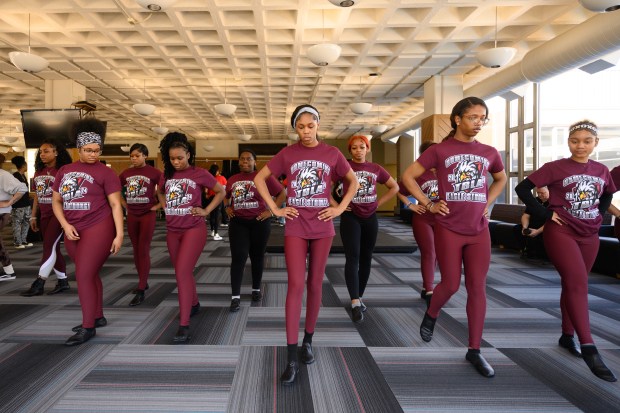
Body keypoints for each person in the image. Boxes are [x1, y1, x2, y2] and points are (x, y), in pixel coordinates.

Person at [254, 104, 358, 385]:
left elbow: (353, 181)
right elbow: (259, 178)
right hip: (296, 226)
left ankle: (308, 341)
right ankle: (290, 357)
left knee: (315, 285)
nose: (306, 131)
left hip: (323, 227)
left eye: (311, 126)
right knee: (296, 285)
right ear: (295, 128)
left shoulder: (332, 154)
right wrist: (276, 210)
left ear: (318, 125)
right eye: (301, 127)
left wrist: (340, 209)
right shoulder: (288, 153)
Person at [402, 97, 507, 378]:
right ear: (457, 119)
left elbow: (501, 178)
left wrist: (488, 203)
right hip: (448, 227)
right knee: (449, 284)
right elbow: (409, 176)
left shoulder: (489, 151)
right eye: (472, 117)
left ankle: (475, 350)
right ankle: (433, 311)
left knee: (477, 287)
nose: (478, 122)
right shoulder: (440, 150)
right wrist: (428, 202)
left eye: (482, 118)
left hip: (478, 230)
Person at [515, 120, 617, 382]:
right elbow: (522, 188)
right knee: (577, 283)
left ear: (596, 143)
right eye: (575, 140)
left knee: (573, 284)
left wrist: (599, 214)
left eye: (586, 141)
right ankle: (589, 346)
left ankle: (567, 335)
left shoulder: (601, 169)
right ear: (568, 142)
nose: (580, 145)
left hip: (590, 233)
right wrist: (545, 214)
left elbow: (607, 193)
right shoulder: (555, 167)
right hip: (561, 231)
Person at [51, 118, 124, 346]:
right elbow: (56, 201)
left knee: (83, 275)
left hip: (98, 227)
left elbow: (115, 205)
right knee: (89, 274)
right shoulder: (65, 170)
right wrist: (65, 224)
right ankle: (97, 315)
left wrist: (120, 234)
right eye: (88, 150)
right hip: (73, 229)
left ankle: (87, 327)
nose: (93, 154)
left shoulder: (106, 173)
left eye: (97, 150)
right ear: (78, 150)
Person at [158, 133, 225, 344]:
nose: (176, 162)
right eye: (172, 158)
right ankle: (194, 304)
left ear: (188, 154)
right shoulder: (167, 175)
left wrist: (206, 211)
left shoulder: (200, 173)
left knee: (182, 272)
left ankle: (184, 325)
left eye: (180, 157)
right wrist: (165, 206)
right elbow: (159, 192)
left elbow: (221, 191)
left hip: (193, 229)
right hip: (172, 230)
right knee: (182, 272)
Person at [340, 135, 399, 323]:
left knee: (366, 257)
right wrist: (338, 204)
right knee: (353, 256)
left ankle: (359, 296)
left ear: (367, 149)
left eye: (362, 147)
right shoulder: (344, 167)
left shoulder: (376, 169)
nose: (358, 151)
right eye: (355, 148)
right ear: (350, 151)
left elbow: (394, 187)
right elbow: (325, 186)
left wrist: (378, 203)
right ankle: (355, 301)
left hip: (370, 218)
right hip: (351, 217)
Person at [225, 149, 285, 312]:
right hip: (238, 223)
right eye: (242, 159)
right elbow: (226, 195)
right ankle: (235, 297)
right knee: (239, 257)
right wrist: (226, 206)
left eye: (249, 159)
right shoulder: (232, 179)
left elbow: (282, 193)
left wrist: (271, 211)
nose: (245, 161)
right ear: (238, 162)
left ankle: (256, 289)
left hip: (260, 222)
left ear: (254, 162)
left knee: (257, 256)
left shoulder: (263, 177)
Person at [20, 140, 73, 296]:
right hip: (44, 214)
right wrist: (33, 216)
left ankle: (40, 282)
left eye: (46, 151)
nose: (42, 154)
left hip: (58, 214)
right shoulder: (39, 172)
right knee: (53, 248)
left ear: (56, 152)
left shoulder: (63, 171)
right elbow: (37, 195)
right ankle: (63, 281)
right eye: (41, 152)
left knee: (48, 247)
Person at [119, 143, 163, 306]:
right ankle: (142, 280)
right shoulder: (126, 173)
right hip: (132, 215)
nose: (134, 158)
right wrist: (124, 204)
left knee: (143, 248)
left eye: (137, 155)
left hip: (147, 215)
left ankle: (142, 287)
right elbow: (116, 190)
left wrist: (158, 206)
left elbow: (165, 189)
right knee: (136, 249)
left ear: (145, 156)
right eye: (132, 156)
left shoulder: (154, 172)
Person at [397, 141, 439, 308]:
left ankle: (426, 286)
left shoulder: (447, 172)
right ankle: (429, 289)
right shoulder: (418, 174)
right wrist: (410, 204)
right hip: (423, 217)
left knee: (441, 254)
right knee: (429, 252)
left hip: (443, 218)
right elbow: (398, 189)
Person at [0, 153, 28, 281]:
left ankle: (9, 272)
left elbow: (22, 188)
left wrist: (9, 202)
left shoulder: (3, 175)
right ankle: (9, 271)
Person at [515, 186, 549, 260]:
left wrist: (537, 231)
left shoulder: (554, 203)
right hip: (533, 224)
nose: (539, 195)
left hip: (546, 226)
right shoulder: (535, 201)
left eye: (542, 193)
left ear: (549, 191)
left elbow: (551, 222)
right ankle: (526, 250)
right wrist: (525, 227)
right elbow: (526, 215)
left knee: (543, 234)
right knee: (517, 228)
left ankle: (540, 255)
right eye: (538, 193)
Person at [10, 156, 32, 249]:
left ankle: (24, 240)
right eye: (26, 165)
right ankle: (17, 242)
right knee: (17, 222)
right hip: (18, 204)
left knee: (26, 222)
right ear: (23, 165)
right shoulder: (15, 176)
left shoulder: (23, 176)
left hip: (26, 203)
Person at [206, 164, 227, 240]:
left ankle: (212, 231)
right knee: (217, 215)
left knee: (212, 215)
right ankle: (216, 233)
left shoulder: (209, 178)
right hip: (218, 198)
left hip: (211, 197)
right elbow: (224, 189)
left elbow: (207, 190)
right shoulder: (222, 178)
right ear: (217, 171)